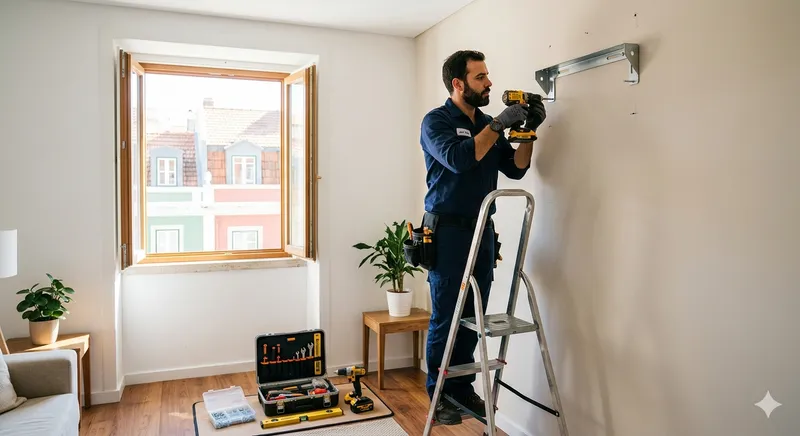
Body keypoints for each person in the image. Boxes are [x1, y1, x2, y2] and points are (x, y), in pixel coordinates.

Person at [418, 50, 546, 425]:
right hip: (448, 232)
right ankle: (439, 395)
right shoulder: (436, 121)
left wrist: (527, 132)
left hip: (482, 230)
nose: (489, 83)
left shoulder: (489, 122)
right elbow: (460, 159)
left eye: (487, 76)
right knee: (447, 315)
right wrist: (498, 125)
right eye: (480, 78)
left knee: (474, 317)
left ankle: (462, 389)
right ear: (458, 84)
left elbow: (517, 169)